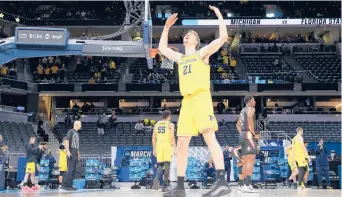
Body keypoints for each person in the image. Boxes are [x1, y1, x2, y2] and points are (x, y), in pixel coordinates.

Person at [159, 6, 230, 197]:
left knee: (209, 137)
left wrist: (220, 16)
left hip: (201, 98)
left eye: (191, 35)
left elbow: (222, 38)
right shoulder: (181, 58)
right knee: (182, 144)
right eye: (186, 34)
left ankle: (222, 182)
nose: (187, 36)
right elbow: (162, 49)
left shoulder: (202, 54)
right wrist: (166, 27)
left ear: (197, 41)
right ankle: (180, 187)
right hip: (187, 102)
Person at [236, 95, 259, 193]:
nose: (255, 102)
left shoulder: (242, 110)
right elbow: (250, 116)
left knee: (245, 161)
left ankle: (243, 185)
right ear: (250, 101)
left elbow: (237, 124)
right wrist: (252, 132)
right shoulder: (251, 108)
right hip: (248, 135)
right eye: (254, 100)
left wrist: (243, 133)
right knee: (250, 160)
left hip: (242, 135)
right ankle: (247, 185)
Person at [152, 110, 176, 192]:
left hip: (159, 145)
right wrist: (175, 148)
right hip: (167, 145)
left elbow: (153, 137)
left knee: (160, 165)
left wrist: (154, 149)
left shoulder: (156, 124)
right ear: (169, 116)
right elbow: (172, 137)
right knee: (167, 165)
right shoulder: (171, 124)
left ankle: (156, 180)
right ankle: (165, 186)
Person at [61, 121, 82, 191]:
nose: (81, 125)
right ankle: (65, 185)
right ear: (76, 124)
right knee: (70, 169)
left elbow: (77, 145)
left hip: (75, 152)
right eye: (80, 124)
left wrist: (78, 153)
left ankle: (70, 185)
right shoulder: (71, 131)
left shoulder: (77, 133)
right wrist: (68, 151)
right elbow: (67, 141)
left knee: (73, 170)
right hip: (71, 152)